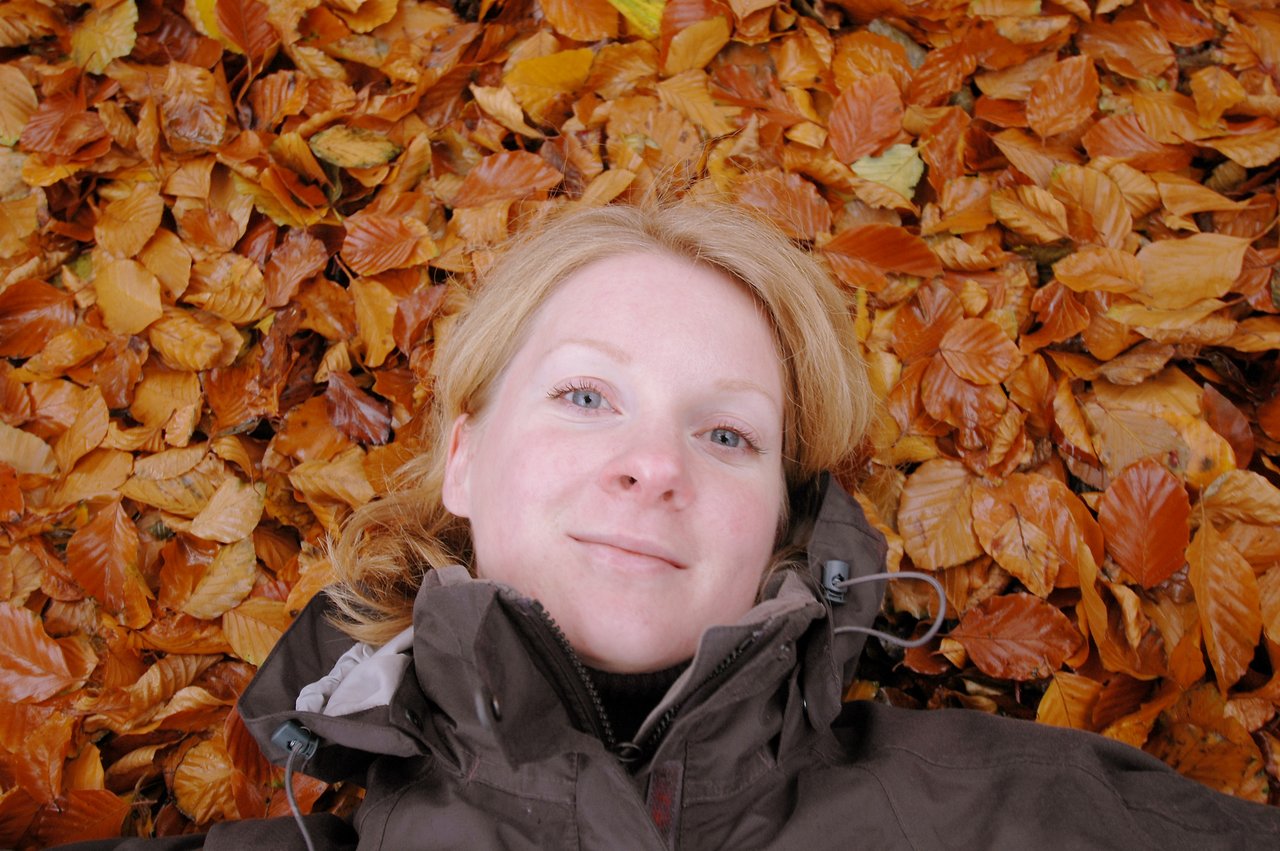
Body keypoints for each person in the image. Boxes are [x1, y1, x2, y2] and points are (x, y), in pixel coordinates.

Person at [66, 199, 1280, 849]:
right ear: (464, 458)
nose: (652, 464)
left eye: (727, 433)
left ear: (781, 524)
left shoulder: (1043, 815)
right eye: (585, 395)